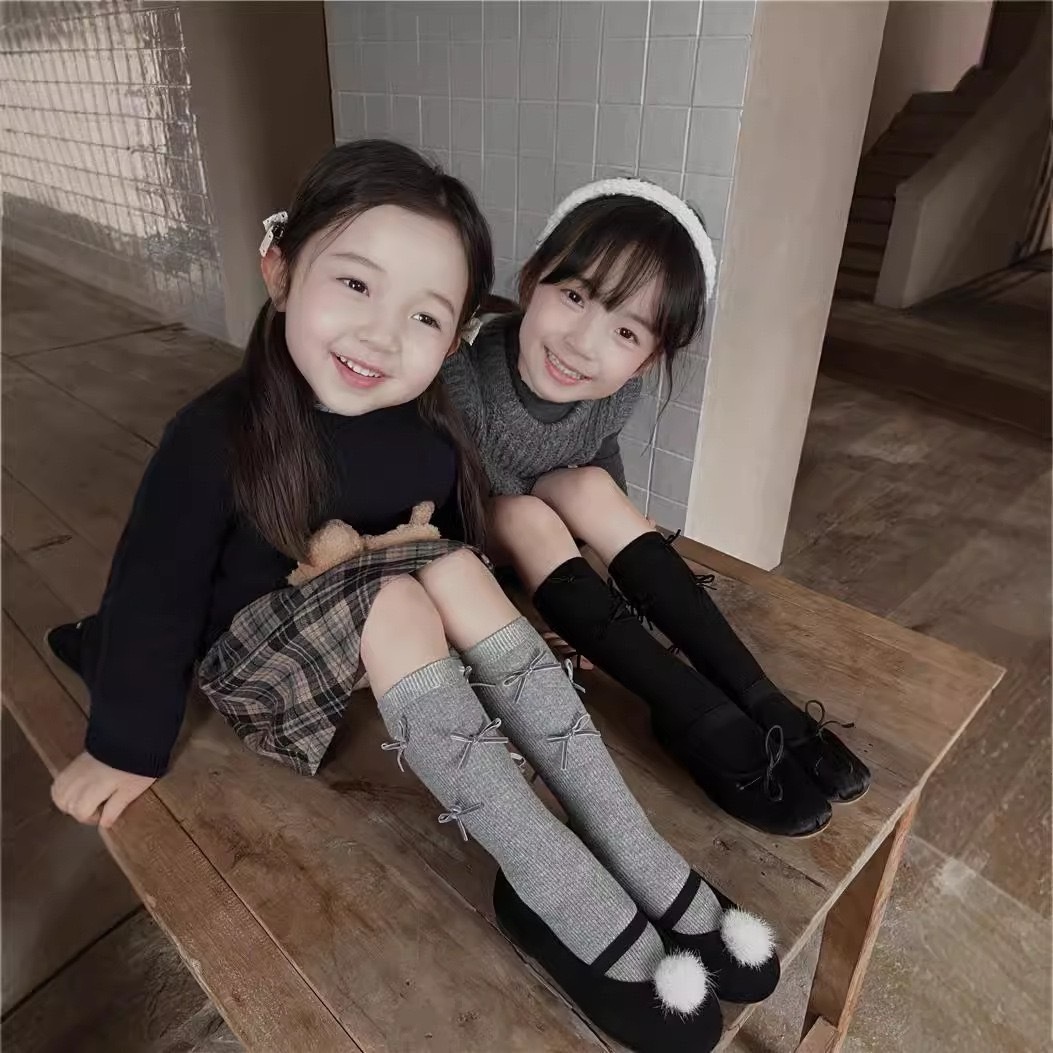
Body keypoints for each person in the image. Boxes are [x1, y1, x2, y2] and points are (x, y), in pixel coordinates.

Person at [45, 142, 777, 1052]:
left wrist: (524, 639)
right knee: (396, 595)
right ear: (280, 269)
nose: (382, 336)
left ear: (458, 331)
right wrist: (122, 744)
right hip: (260, 661)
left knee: (459, 566)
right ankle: (550, 881)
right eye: (355, 284)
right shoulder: (212, 436)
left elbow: (458, 544)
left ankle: (633, 848)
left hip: (373, 635)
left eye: (425, 315)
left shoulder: (429, 422)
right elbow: (152, 590)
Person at [443, 178, 870, 840]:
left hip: (549, 559)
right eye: (574, 296)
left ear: (646, 360)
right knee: (528, 512)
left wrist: (602, 599)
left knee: (590, 485)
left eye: (625, 331)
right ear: (532, 279)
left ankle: (758, 697)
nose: (582, 343)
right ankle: (685, 707)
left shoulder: (612, 391)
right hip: (466, 546)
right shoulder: (464, 372)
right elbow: (472, 491)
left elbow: (597, 466)